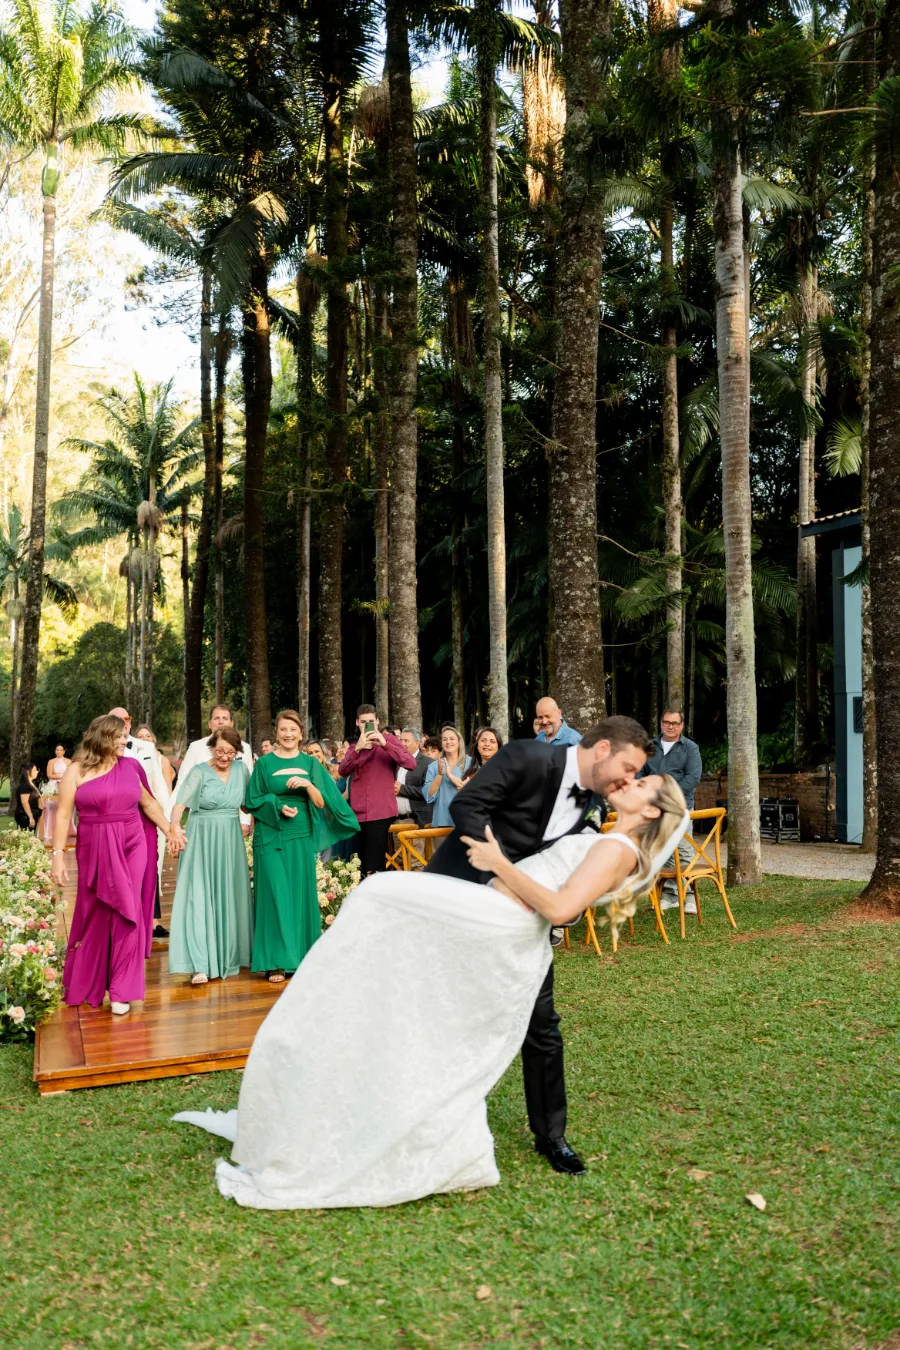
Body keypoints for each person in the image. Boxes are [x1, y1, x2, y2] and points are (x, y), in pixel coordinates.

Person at [173, 774, 688, 1210]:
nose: (631, 780)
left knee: (377, 894)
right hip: (492, 912)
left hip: (500, 919)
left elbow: (561, 910)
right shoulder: (609, 838)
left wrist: (498, 862)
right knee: (387, 925)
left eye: (643, 783)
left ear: (650, 810)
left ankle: (328, 1034)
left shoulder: (616, 849)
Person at [426, 715, 653, 1175]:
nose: (629, 780)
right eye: (628, 768)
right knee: (441, 1012)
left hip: (523, 927)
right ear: (603, 749)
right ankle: (431, 1119)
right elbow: (468, 806)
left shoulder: (594, 801)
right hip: (459, 900)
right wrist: (499, 876)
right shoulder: (527, 756)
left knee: (542, 1024)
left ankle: (552, 1135)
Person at [51, 715, 185, 1014]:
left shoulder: (130, 766)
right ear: (101, 737)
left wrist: (170, 830)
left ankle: (122, 990)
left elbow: (148, 803)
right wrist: (58, 855)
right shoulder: (76, 770)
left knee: (128, 909)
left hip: (132, 842)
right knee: (96, 911)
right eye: (120, 737)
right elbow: (63, 815)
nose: (126, 741)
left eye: (126, 736)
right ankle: (91, 979)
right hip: (95, 846)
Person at [246, 710, 358, 983]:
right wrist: (276, 805)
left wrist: (308, 785)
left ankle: (302, 957)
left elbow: (321, 802)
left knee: (298, 894)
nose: (288, 734)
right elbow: (251, 800)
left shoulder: (309, 763)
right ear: (276, 733)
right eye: (283, 729)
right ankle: (276, 962)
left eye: (293, 729)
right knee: (274, 895)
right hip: (270, 836)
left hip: (300, 835)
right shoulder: (264, 764)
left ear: (300, 733)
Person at [168, 727, 253, 986]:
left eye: (230, 752)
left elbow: (249, 804)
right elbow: (179, 805)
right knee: (199, 896)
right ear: (211, 748)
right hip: (201, 838)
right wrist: (174, 827)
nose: (224, 757)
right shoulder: (199, 771)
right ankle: (199, 963)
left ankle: (228, 955)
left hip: (230, 839)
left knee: (228, 894)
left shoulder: (241, 770)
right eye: (220, 751)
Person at [338, 706, 417, 875]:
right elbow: (342, 771)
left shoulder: (389, 740)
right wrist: (358, 749)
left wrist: (384, 744)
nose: (367, 725)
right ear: (357, 723)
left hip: (381, 811)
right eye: (363, 722)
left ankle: (377, 890)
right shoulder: (353, 747)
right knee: (358, 865)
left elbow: (411, 763)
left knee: (375, 865)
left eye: (371, 721)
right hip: (358, 812)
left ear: (377, 722)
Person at [638, 710, 703, 912]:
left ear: (681, 725)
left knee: (683, 851)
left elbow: (692, 778)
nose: (670, 726)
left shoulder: (690, 748)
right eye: (667, 722)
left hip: (680, 806)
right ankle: (669, 895)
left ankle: (689, 897)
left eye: (675, 723)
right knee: (662, 852)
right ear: (661, 723)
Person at [174, 705, 254, 835]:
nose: (221, 722)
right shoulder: (196, 748)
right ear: (209, 723)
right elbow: (182, 786)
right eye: (217, 718)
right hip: (202, 822)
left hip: (232, 823)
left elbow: (248, 791)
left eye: (225, 718)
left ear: (232, 723)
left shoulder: (244, 751)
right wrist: (173, 823)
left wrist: (245, 820)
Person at [423, 725, 471, 828]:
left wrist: (450, 776)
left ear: (459, 741)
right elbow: (429, 796)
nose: (448, 742)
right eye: (445, 739)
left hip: (466, 820)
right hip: (442, 820)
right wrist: (440, 775)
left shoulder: (471, 763)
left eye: (452, 739)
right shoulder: (433, 766)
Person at [394, 727, 435, 826]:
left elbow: (429, 791)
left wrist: (402, 789)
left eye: (406, 741)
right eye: (401, 740)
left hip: (416, 821)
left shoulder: (428, 763)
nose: (402, 743)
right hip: (395, 820)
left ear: (417, 743)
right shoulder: (396, 762)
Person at [42, 744, 72, 843]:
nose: (59, 751)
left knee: (66, 806)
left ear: (64, 751)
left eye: (60, 750)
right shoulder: (51, 761)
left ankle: (66, 831)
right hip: (53, 785)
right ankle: (50, 831)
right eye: (57, 750)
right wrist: (60, 777)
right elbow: (49, 774)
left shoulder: (68, 761)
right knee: (52, 806)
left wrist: (64, 778)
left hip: (65, 785)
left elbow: (70, 774)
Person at [135, 724, 176, 794]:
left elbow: (168, 793)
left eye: (148, 736)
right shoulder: (135, 761)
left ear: (153, 739)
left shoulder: (162, 761)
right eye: (140, 737)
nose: (145, 738)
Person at [14, 763, 43, 833]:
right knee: (25, 836)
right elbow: (25, 802)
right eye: (35, 770)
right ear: (28, 771)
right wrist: (31, 817)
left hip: (33, 813)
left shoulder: (31, 784)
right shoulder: (25, 785)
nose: (37, 772)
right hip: (25, 815)